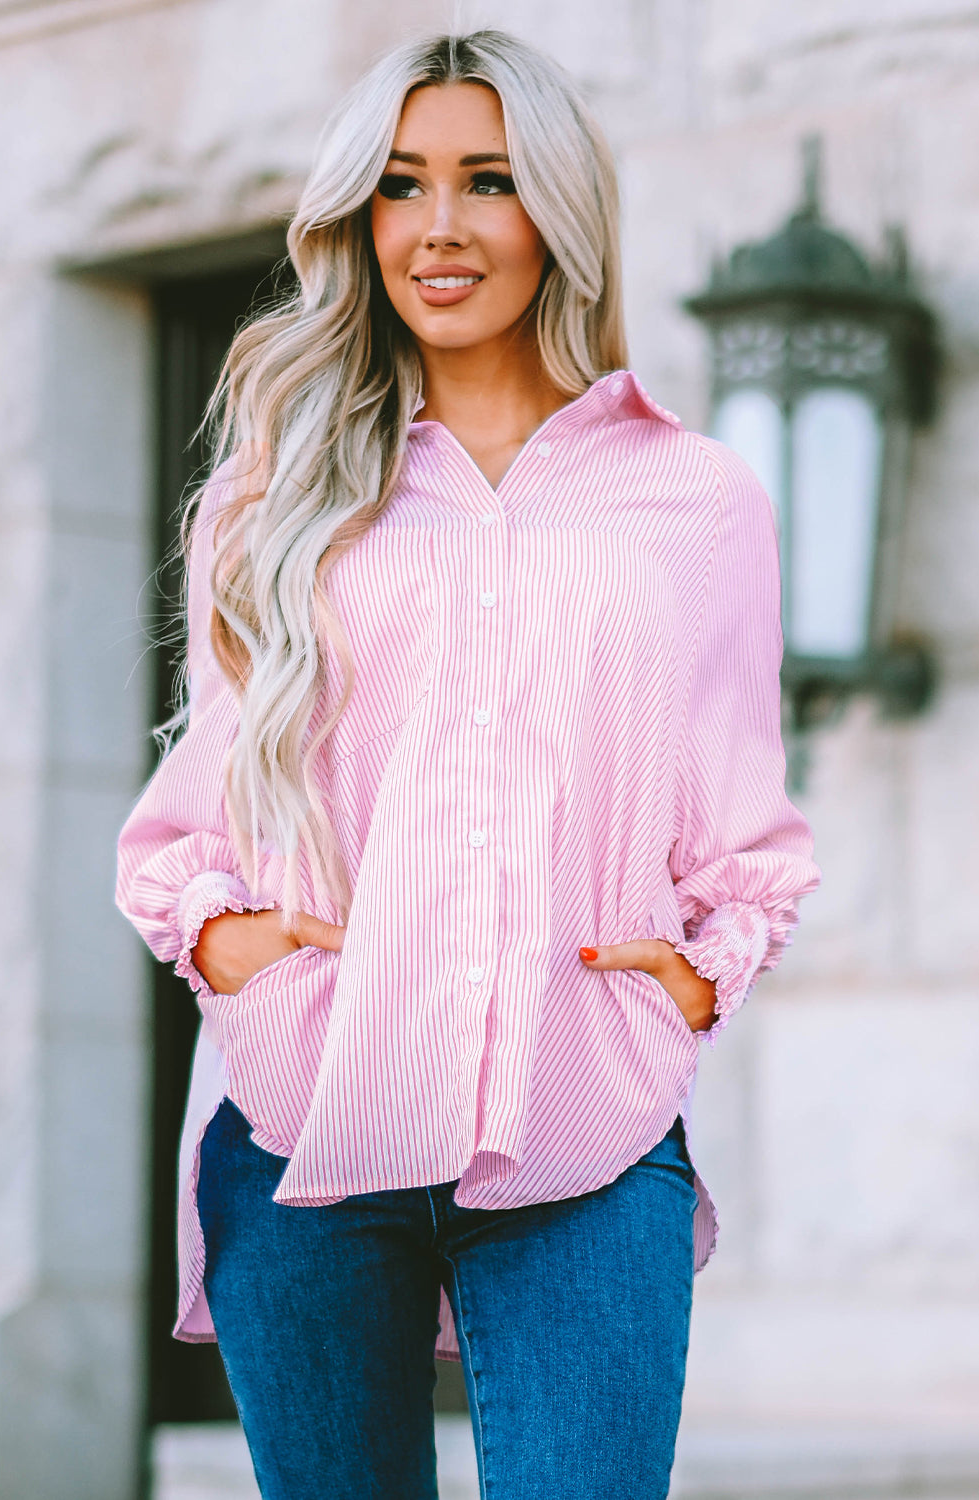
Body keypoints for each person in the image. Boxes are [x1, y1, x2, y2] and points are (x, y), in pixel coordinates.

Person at [116, 29, 819, 1500]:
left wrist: (694, 975)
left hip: (585, 1135)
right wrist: (239, 951)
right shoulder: (271, 492)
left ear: (555, 210)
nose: (437, 227)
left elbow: (745, 824)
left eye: (485, 181)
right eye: (399, 186)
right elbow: (191, 814)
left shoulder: (693, 502)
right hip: (309, 1124)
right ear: (357, 223)